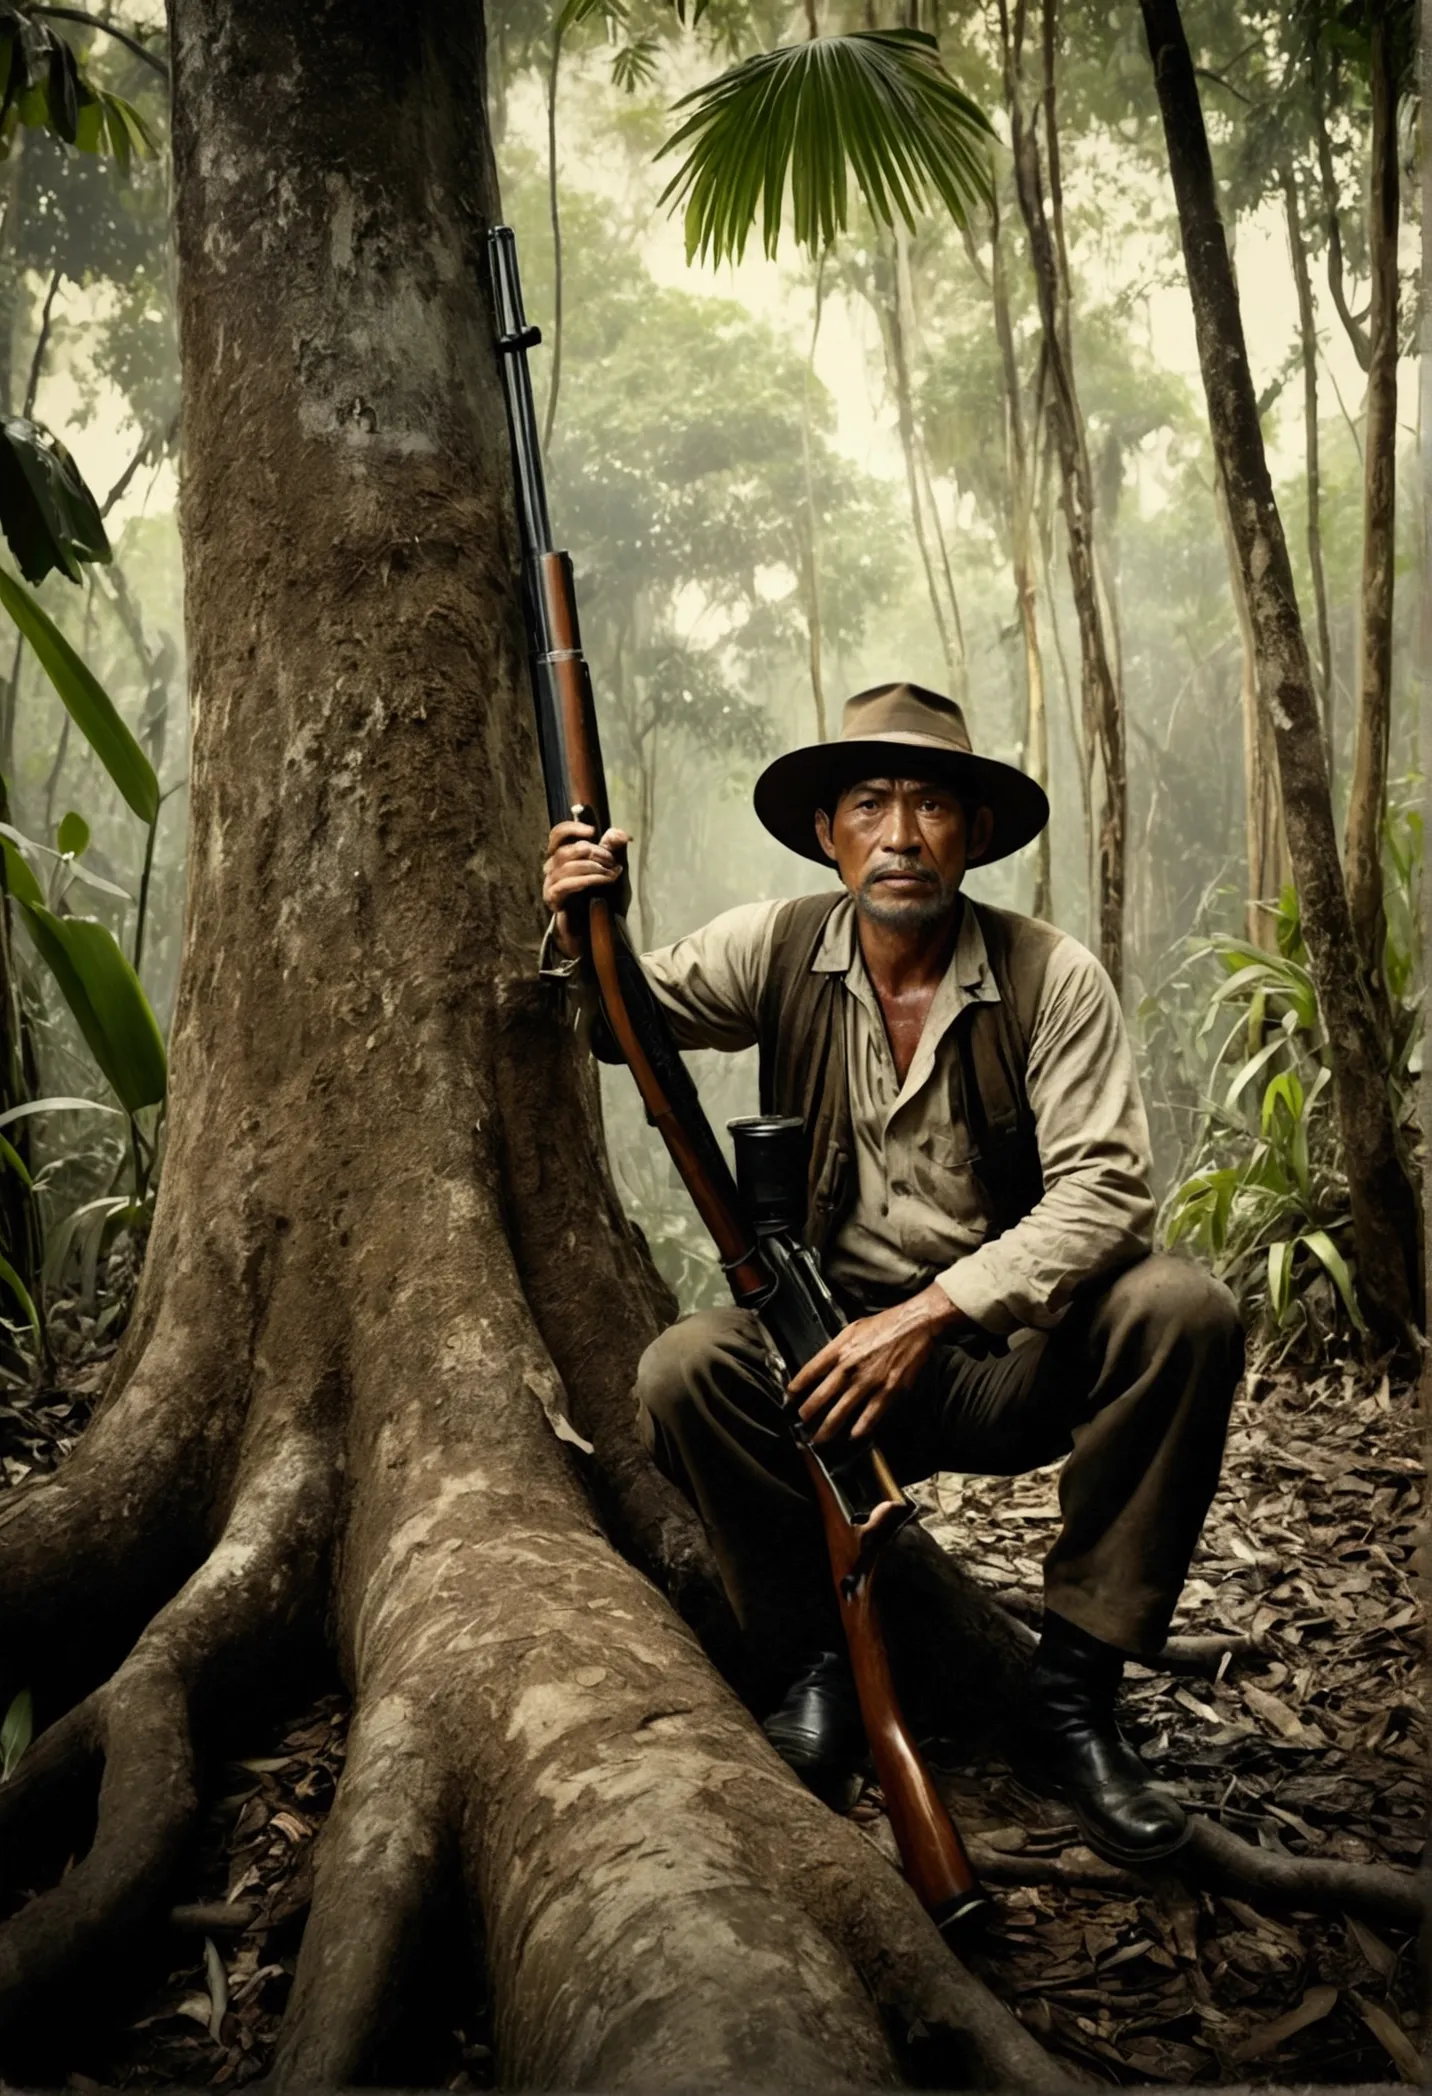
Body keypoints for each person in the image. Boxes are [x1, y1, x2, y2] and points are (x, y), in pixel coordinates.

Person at [541, 681, 1243, 1864]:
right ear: (830, 831)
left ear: (971, 830)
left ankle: (1070, 1703)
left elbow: (1108, 1190)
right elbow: (626, 1019)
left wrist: (928, 1313)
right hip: (825, 1368)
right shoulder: (774, 944)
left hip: (1007, 1356)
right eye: (869, 802)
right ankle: (818, 1664)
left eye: (930, 804)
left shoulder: (1046, 975)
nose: (901, 833)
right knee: (682, 1370)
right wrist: (580, 916)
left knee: (1184, 1310)